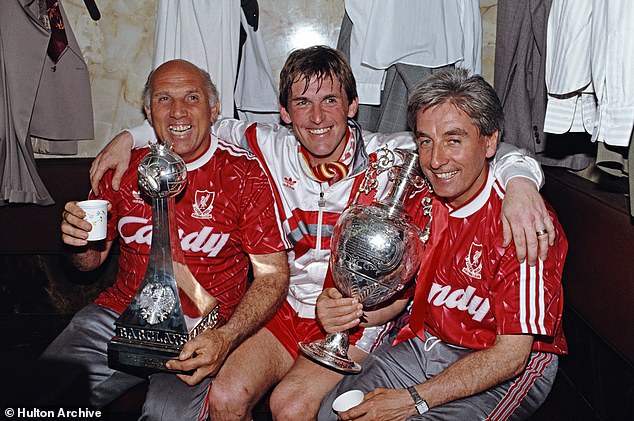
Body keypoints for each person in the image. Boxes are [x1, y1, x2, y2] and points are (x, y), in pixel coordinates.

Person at [88, 46, 555, 420]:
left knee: (291, 406)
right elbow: (190, 123)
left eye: (330, 99)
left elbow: (471, 142)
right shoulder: (264, 144)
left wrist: (518, 181)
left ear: (352, 105)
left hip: (355, 318)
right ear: (284, 113)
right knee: (226, 397)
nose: (317, 117)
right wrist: (130, 136)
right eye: (302, 103)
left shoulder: (389, 153)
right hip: (288, 306)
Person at [40, 59, 290, 418]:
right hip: (119, 315)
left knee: (166, 415)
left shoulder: (243, 174)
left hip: (206, 328)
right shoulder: (123, 171)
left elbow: (272, 275)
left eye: (192, 98)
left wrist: (227, 337)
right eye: (163, 99)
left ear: (214, 107)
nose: (178, 112)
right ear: (147, 110)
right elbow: (90, 262)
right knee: (38, 397)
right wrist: (77, 242)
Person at [317, 68, 568, 421]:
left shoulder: (522, 221)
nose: (435, 160)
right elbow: (403, 295)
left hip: (505, 364)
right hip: (428, 342)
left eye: (454, 140)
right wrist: (347, 311)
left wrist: (412, 399)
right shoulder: (421, 201)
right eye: (425, 141)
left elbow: (512, 355)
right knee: (332, 413)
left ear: (490, 142)